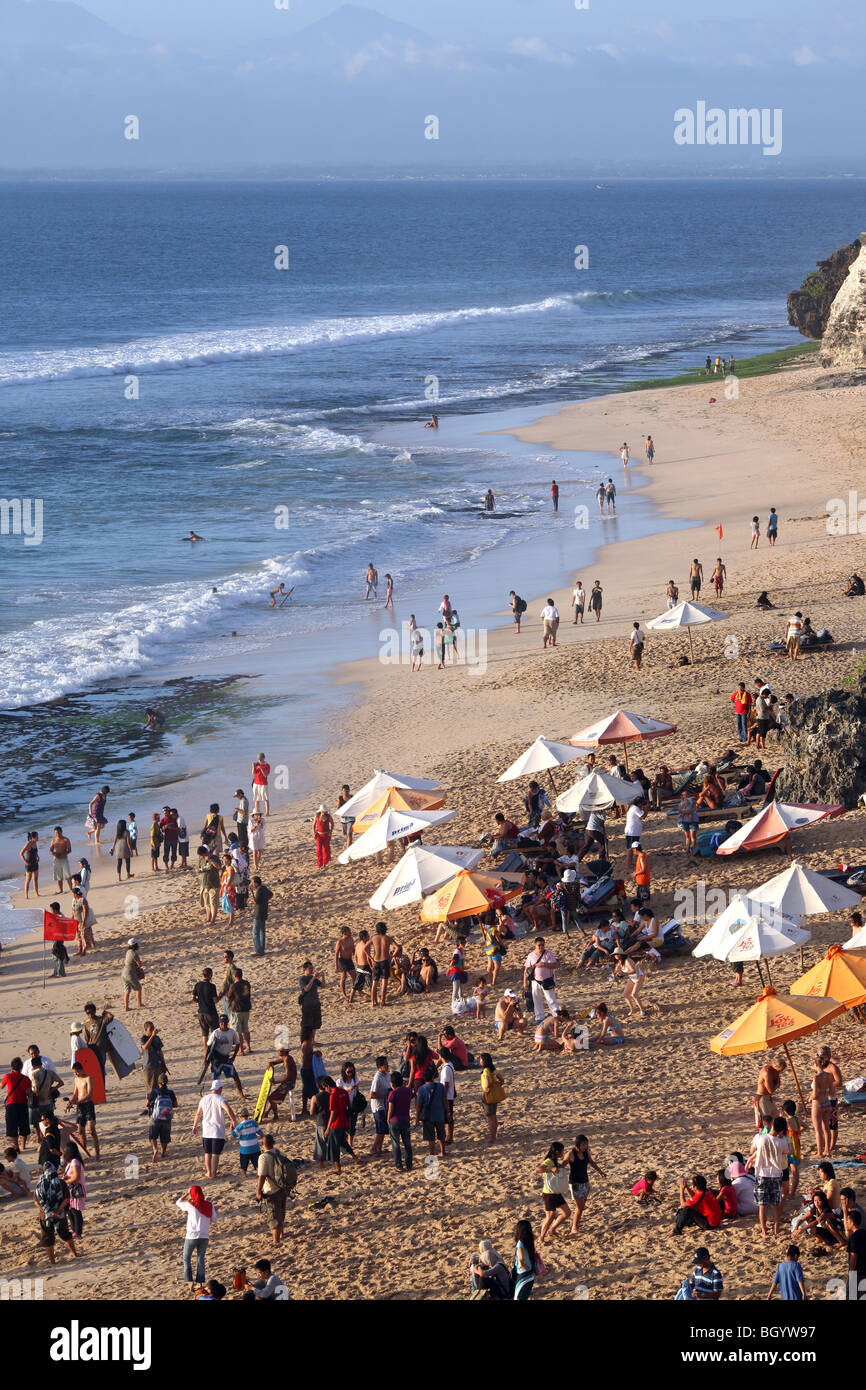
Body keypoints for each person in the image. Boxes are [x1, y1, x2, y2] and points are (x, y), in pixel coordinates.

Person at [748, 1117, 788, 1238]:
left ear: (772, 1125)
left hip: (761, 1173)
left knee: (762, 1205)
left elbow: (752, 1151)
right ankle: (776, 1228)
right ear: (781, 1130)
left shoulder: (760, 1138)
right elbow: (786, 1152)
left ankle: (764, 1230)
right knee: (775, 1204)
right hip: (775, 1174)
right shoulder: (782, 1141)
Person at [34, 1161, 77, 1265]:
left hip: (45, 1216)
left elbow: (36, 1201)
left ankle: (53, 1262)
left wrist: (47, 1211)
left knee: (48, 1238)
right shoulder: (61, 1183)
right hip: (60, 1214)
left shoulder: (39, 1185)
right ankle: (74, 1253)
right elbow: (67, 1198)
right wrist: (57, 1211)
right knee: (65, 1234)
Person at [192, 1079, 236, 1178]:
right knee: (215, 1153)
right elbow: (228, 1109)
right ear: (220, 1088)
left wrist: (194, 1126)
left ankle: (208, 1172)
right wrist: (234, 1121)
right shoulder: (220, 1099)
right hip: (217, 1131)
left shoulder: (204, 1099)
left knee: (207, 1152)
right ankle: (213, 1173)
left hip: (206, 1131)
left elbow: (198, 1113)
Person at [176, 1185, 215, 1290]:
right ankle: (200, 1283)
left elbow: (178, 1202)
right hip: (204, 1236)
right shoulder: (209, 1205)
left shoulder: (190, 1205)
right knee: (200, 1258)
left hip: (191, 1236)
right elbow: (214, 1219)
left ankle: (189, 1282)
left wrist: (186, 1194)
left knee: (186, 1258)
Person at [566, 1134, 606, 1234]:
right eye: (584, 1145)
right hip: (575, 1183)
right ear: (577, 1145)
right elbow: (562, 1165)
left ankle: (576, 1225)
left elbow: (591, 1162)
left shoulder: (586, 1152)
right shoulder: (571, 1153)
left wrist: (600, 1171)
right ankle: (574, 1227)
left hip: (585, 1182)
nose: (586, 1147)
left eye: (587, 1144)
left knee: (581, 1206)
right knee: (579, 1207)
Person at [65, 1061, 100, 1159]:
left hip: (88, 1105)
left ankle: (97, 1153)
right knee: (80, 1131)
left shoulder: (88, 1078)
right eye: (74, 1073)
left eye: (77, 1072)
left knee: (91, 1130)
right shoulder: (76, 1079)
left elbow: (89, 1094)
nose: (76, 1074)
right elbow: (75, 1093)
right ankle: (84, 1154)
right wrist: (71, 1102)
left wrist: (79, 1101)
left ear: (81, 1070)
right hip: (80, 1106)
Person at [537, 1142, 571, 1243]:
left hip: (555, 1192)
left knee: (567, 1213)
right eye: (562, 1151)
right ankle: (541, 1237)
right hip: (549, 1194)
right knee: (551, 1216)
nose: (563, 1153)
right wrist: (550, 1168)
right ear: (557, 1152)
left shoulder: (555, 1161)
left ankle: (552, 1230)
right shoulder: (549, 1161)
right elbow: (538, 1169)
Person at [524, 937, 559, 1023]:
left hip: (547, 980)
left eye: (543, 945)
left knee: (551, 999)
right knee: (537, 1000)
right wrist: (524, 981)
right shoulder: (531, 955)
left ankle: (556, 1015)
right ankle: (539, 1017)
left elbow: (555, 965)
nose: (541, 947)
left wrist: (544, 964)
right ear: (535, 945)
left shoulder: (548, 954)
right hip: (535, 981)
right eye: (539, 945)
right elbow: (526, 969)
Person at [2, 1058, 32, 1152]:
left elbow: (1, 1086)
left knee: (12, 1126)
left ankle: (16, 1146)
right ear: (21, 1067)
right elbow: (29, 1093)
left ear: (12, 1067)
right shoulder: (26, 1079)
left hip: (11, 1104)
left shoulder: (8, 1076)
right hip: (22, 1104)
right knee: (23, 1125)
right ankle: (23, 1145)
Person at [386, 1070, 413, 1172]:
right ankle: (409, 1164)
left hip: (395, 1120)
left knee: (396, 1143)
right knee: (407, 1143)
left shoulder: (392, 1094)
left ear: (392, 1083)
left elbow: (390, 1109)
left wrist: (388, 1119)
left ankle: (399, 1165)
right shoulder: (407, 1091)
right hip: (405, 1119)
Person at [147, 1073, 177, 1163]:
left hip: (155, 1118)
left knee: (153, 1136)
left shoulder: (155, 1092)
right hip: (166, 1118)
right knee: (165, 1137)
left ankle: (155, 1149)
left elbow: (147, 1104)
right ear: (167, 1082)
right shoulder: (170, 1092)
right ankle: (163, 1153)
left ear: (158, 1082)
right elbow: (176, 1104)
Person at [417, 1070, 447, 1159]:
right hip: (439, 1114)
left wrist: (417, 1117)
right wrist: (448, 1112)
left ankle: (432, 1153)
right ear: (433, 1077)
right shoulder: (440, 1086)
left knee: (430, 1136)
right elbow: (445, 1100)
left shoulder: (421, 1089)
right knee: (441, 1134)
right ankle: (443, 1151)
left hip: (428, 1116)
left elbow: (419, 1105)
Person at [479, 1053, 505, 1145]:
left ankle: (492, 1137)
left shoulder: (485, 1070)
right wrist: (497, 1085)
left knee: (490, 1118)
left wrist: (487, 1089)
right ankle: (494, 1135)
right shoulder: (493, 1068)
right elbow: (502, 1079)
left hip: (488, 1095)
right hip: (494, 1095)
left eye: (480, 1059)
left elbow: (487, 1083)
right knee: (494, 1116)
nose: (480, 1061)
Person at [49, 827, 75, 897]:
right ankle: (61, 890)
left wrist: (64, 853)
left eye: (58, 832)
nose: (57, 834)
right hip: (56, 860)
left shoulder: (66, 840)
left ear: (61, 831)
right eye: (56, 833)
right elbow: (50, 850)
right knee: (58, 876)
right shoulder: (53, 841)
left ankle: (71, 889)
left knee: (68, 875)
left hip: (64, 859)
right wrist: (54, 853)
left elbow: (69, 850)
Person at [121, 938, 145, 1010]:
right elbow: (139, 964)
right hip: (130, 973)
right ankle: (140, 1004)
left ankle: (126, 1007)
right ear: (135, 945)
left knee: (127, 990)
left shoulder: (128, 951)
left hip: (124, 972)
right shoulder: (134, 953)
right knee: (138, 988)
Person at [848, 1210, 866, 1301]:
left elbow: (853, 1256)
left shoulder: (853, 1237)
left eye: (847, 1221)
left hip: (857, 1273)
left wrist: (851, 1272)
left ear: (852, 1222)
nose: (847, 1223)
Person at [19, 831, 39, 898]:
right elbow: (21, 853)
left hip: (35, 863)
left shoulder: (35, 843)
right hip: (29, 864)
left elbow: (35, 852)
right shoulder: (28, 844)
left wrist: (37, 856)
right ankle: (26, 895)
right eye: (37, 836)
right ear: (33, 837)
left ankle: (37, 893)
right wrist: (25, 861)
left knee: (35, 879)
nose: (38, 837)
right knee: (28, 880)